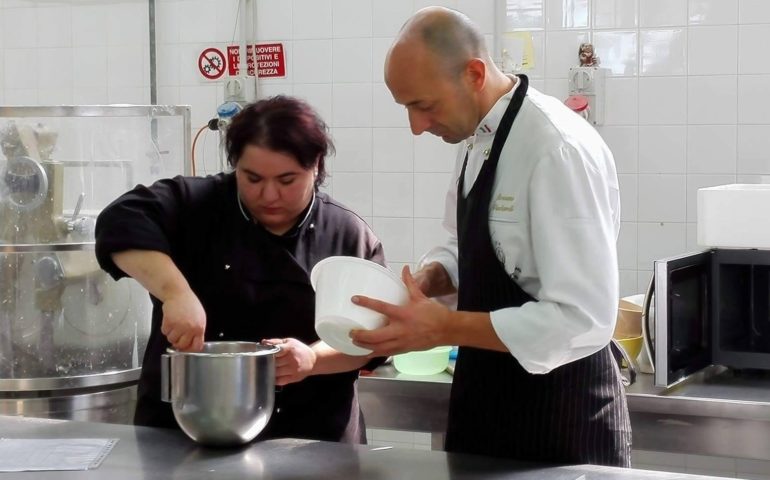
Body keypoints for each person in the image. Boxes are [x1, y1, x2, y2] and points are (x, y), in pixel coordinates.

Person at [350, 7, 631, 467]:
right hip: (484, 406)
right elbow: (470, 247)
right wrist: (431, 278)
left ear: (474, 74)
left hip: (559, 422)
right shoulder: (477, 140)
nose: (416, 127)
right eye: (407, 108)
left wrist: (443, 327)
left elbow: (583, 318)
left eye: (423, 105)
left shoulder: (555, 148)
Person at [95, 95, 385, 443]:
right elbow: (118, 221)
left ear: (316, 166)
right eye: (252, 178)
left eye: (287, 180)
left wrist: (312, 358)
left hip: (312, 440)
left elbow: (374, 339)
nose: (269, 195)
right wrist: (176, 293)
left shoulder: (348, 236)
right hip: (186, 434)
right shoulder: (195, 205)